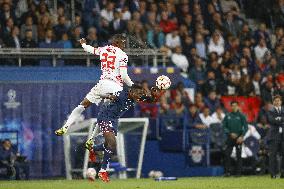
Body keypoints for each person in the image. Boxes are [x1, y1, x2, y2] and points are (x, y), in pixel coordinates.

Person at [55, 34, 134, 143]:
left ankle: (66, 126)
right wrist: (133, 85)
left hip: (102, 84)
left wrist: (83, 44)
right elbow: (124, 76)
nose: (124, 45)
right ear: (116, 43)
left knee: (83, 105)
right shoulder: (123, 55)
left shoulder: (104, 49)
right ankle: (91, 139)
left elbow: (89, 49)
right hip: (115, 87)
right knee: (105, 115)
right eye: (123, 43)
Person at [87, 86, 161, 182]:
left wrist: (156, 93)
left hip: (114, 119)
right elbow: (100, 95)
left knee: (108, 145)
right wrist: (109, 96)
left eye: (140, 94)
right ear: (130, 92)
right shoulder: (121, 95)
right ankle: (102, 171)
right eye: (137, 93)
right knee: (112, 143)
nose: (139, 96)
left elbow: (151, 100)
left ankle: (93, 149)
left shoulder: (136, 96)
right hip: (105, 116)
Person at [222, 101, 248, 176]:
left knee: (238, 155)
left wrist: (242, 136)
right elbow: (224, 126)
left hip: (238, 138)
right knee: (227, 154)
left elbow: (246, 127)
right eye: (232, 106)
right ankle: (227, 172)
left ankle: (238, 173)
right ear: (230, 107)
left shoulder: (242, 116)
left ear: (238, 106)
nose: (234, 107)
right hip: (230, 138)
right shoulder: (227, 116)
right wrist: (230, 133)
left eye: (235, 105)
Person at [267, 95, 284, 178]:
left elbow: (276, 121)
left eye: (278, 100)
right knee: (273, 156)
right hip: (273, 136)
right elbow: (271, 120)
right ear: (273, 102)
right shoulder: (270, 111)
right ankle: (273, 174)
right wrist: (281, 120)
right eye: (275, 101)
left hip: (283, 136)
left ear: (281, 102)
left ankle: (283, 173)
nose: (277, 102)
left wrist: (278, 119)